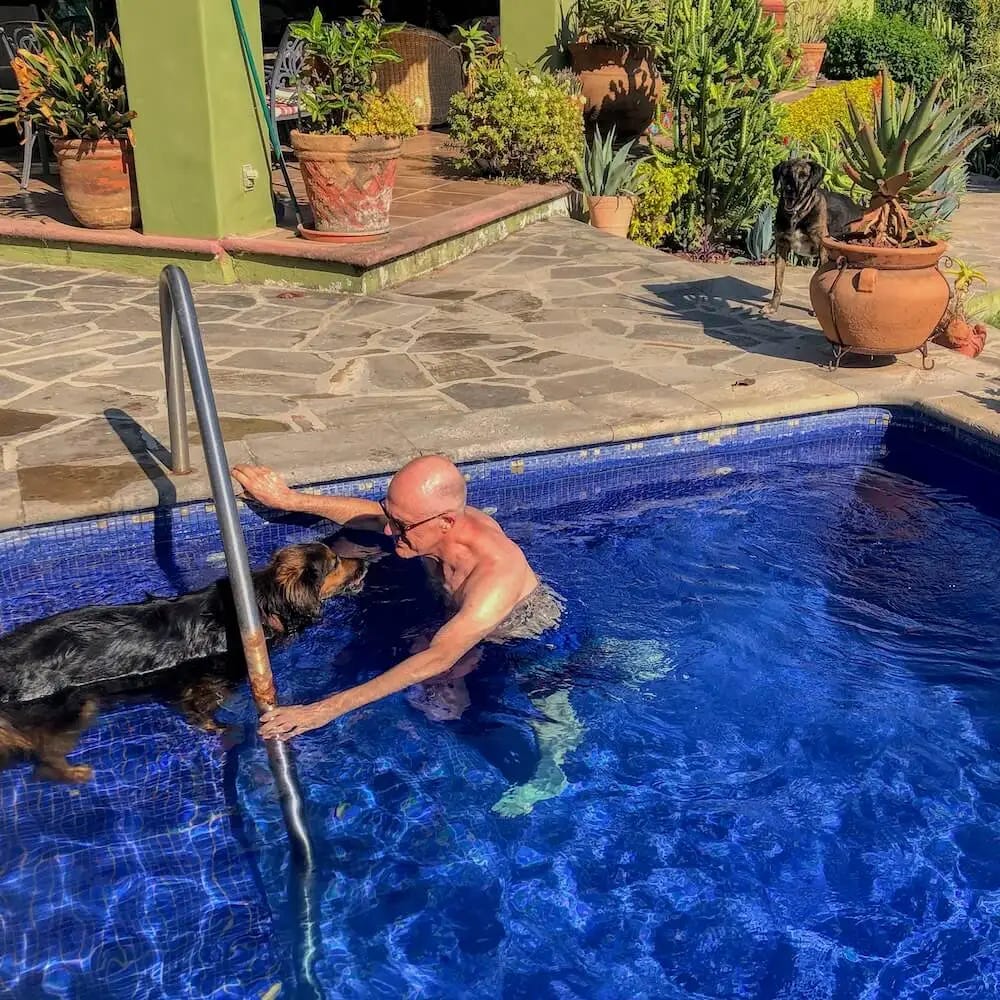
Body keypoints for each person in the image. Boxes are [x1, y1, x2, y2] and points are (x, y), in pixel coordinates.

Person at [230, 455, 564, 743]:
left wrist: (323, 710)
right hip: (457, 618)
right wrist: (289, 500)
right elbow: (372, 515)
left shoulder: (494, 575)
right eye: (392, 516)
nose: (389, 532)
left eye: (401, 525)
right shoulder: (430, 523)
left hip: (526, 639)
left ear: (446, 522)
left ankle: (546, 770)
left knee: (457, 709)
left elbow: (440, 657)